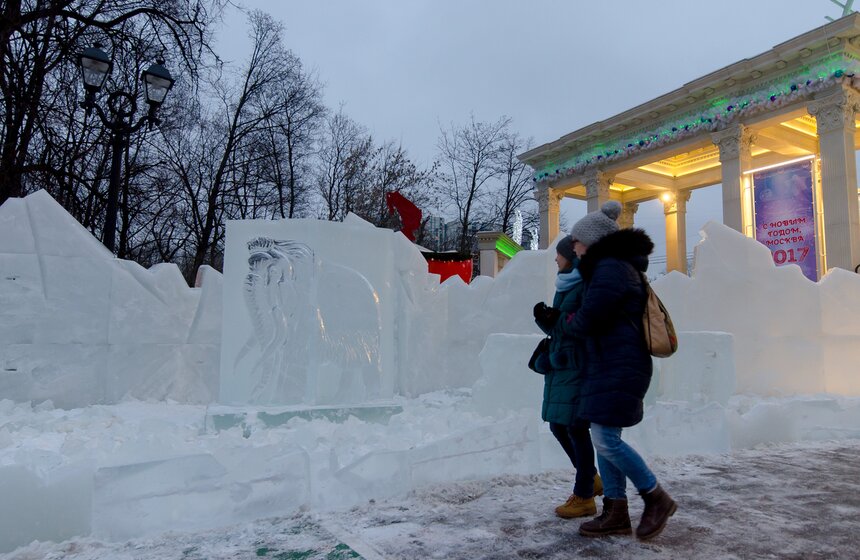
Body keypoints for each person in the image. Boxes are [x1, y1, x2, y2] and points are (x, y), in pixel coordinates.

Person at [561, 200, 677, 541]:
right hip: (612, 361)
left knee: (606, 440)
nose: (575, 247)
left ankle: (656, 497)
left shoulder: (610, 268)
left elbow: (590, 317)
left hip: (619, 363)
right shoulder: (613, 266)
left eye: (578, 241)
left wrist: (568, 321)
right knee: (604, 439)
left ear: (593, 242)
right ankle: (616, 511)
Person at [532, 235, 603, 519]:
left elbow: (584, 323)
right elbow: (563, 325)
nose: (555, 259)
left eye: (559, 254)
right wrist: (546, 320)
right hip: (562, 364)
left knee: (573, 427)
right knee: (559, 426)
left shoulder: (584, 284)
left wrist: (556, 321)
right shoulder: (567, 283)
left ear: (570, 257)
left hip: (576, 365)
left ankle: (585, 494)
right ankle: (591, 478)